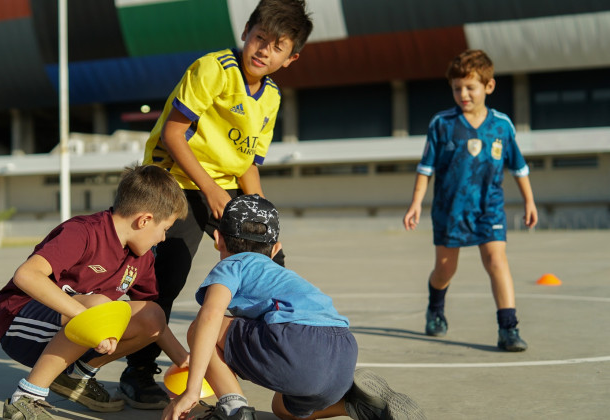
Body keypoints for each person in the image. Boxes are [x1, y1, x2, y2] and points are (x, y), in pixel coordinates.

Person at [119, 0, 314, 409]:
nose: (263, 49)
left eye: (276, 46)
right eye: (259, 37)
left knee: (272, 267)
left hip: (223, 186)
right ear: (245, 31)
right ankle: (138, 370)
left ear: (291, 58)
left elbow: (248, 165)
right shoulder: (213, 69)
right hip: (175, 180)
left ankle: (276, 358)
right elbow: (174, 133)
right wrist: (209, 191)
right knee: (168, 276)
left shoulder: (271, 96)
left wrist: (261, 212)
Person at [162, 194, 426, 420]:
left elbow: (210, 317)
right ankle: (353, 404)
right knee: (282, 408)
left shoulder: (233, 263)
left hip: (298, 344)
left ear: (218, 238)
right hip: (343, 352)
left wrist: (191, 391)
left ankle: (234, 409)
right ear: (276, 248)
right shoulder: (281, 275)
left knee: (198, 329)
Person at [0, 165, 190, 419]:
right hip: (19, 322)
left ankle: (77, 376)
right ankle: (26, 397)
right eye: (165, 229)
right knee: (99, 305)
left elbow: (154, 325)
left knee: (151, 314)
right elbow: (26, 276)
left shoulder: (141, 259)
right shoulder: (82, 232)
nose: (163, 238)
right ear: (144, 220)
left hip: (76, 326)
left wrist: (184, 361)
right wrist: (92, 321)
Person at [402, 49, 538, 352]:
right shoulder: (441, 124)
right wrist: (415, 204)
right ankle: (435, 309)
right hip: (449, 211)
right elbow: (425, 170)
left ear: (488, 87)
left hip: (490, 209)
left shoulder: (502, 125)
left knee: (496, 262)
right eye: (457, 88)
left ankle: (508, 329)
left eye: (470, 87)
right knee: (445, 270)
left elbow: (519, 167)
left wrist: (529, 201)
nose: (463, 93)